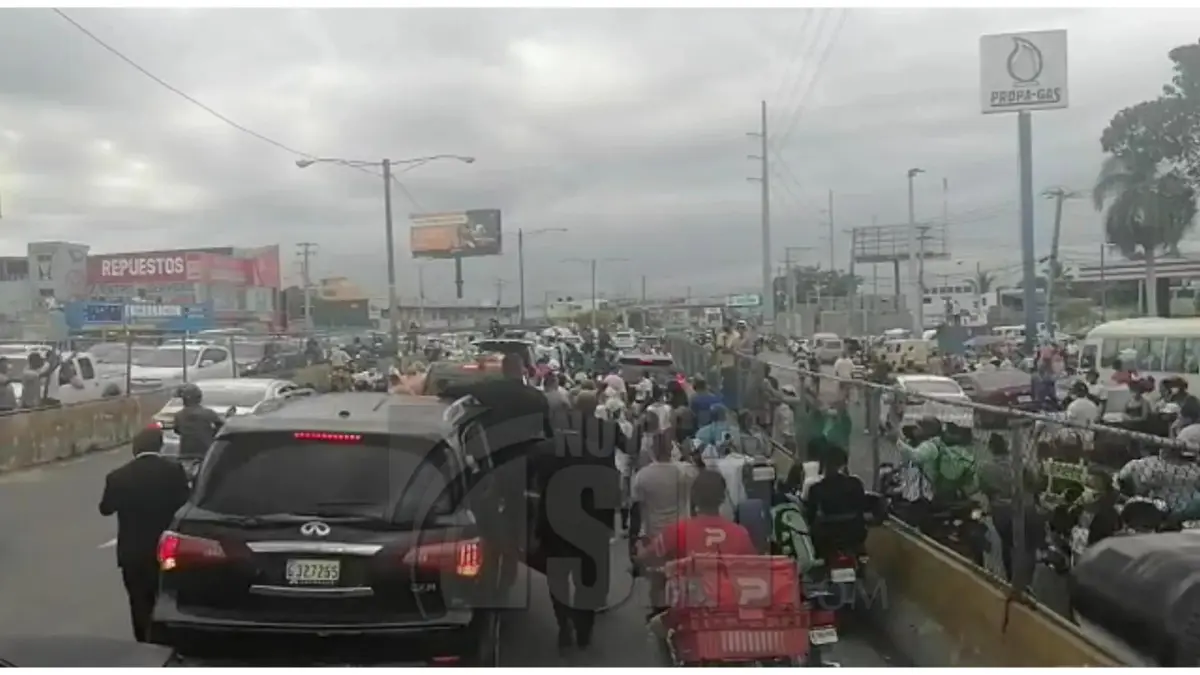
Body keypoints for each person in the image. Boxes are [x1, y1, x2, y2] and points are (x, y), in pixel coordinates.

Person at [537, 389, 623, 651]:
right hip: (591, 522)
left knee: (558, 576)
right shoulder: (601, 450)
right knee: (587, 577)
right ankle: (584, 628)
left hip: (555, 522)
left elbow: (532, 485)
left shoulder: (544, 449)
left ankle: (563, 623)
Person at [99, 427, 191, 642]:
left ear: (135, 448)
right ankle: (167, 640)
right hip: (167, 550)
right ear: (160, 446)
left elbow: (106, 508)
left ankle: (144, 642)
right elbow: (186, 503)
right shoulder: (174, 471)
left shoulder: (118, 476)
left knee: (139, 601)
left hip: (133, 553)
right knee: (168, 596)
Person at [804, 445, 867, 562]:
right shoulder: (855, 484)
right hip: (854, 535)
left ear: (823, 464)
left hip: (827, 538)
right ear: (844, 464)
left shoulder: (816, 488)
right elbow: (862, 507)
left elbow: (810, 516)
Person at [173, 383, 223, 462]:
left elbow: (177, 430)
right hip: (206, 453)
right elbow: (221, 428)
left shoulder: (179, 415)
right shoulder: (209, 413)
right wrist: (211, 433)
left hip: (185, 453)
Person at [714, 320, 743, 409]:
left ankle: (733, 407)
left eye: (728, 324)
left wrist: (729, 350)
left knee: (733, 387)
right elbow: (720, 349)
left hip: (733, 365)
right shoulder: (720, 336)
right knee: (723, 387)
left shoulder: (736, 336)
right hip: (722, 365)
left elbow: (736, 350)